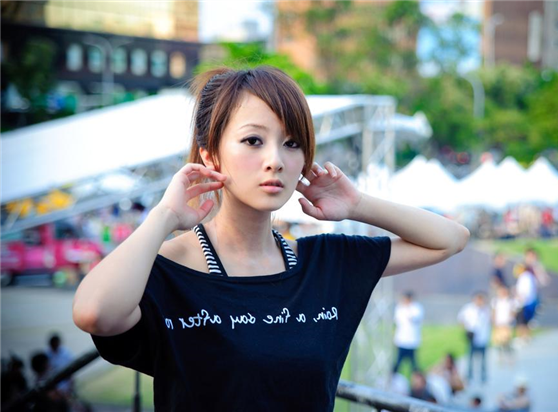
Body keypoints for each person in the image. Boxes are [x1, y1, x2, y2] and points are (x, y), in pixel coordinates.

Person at [71, 66, 470, 411]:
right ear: (210, 155)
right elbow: (94, 313)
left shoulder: (324, 263)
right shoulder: (168, 270)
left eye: (291, 143)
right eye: (253, 141)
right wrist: (164, 217)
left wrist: (357, 204)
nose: (275, 160)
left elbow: (450, 238)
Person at [457, 292, 491, 384]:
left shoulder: (486, 310)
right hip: (472, 337)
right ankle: (469, 376)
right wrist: (466, 329)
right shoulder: (468, 309)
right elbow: (460, 319)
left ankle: (483, 377)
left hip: (483, 337)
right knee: (470, 358)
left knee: (483, 359)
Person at [392, 291, 424, 374]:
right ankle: (394, 378)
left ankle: (415, 379)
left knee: (413, 364)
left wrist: (408, 309)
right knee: (398, 362)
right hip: (401, 340)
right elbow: (397, 321)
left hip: (412, 341)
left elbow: (414, 319)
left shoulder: (416, 308)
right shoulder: (400, 307)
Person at [491, 284, 515, 364]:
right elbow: (494, 312)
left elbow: (513, 312)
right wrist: (494, 322)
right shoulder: (495, 301)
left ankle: (510, 357)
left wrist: (510, 321)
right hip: (498, 324)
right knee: (498, 343)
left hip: (506, 324)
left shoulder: (510, 301)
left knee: (507, 343)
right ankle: (500, 357)